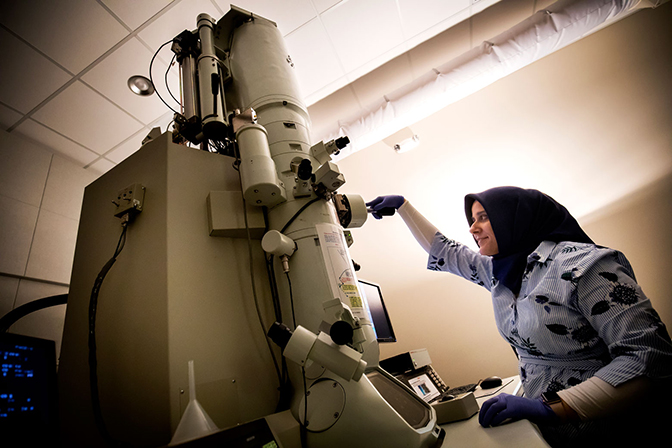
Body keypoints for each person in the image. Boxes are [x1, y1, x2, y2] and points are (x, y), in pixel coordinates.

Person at [366, 188, 672, 447]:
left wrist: (551, 409)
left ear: (515, 218)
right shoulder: (499, 270)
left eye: (483, 217)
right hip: (550, 427)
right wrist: (404, 208)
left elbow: (648, 357)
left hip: (603, 425)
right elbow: (447, 251)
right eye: (472, 220)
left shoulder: (585, 266)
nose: (472, 229)